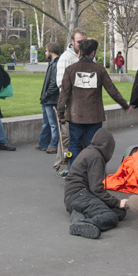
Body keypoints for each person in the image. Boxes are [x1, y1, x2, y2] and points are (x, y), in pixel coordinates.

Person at [57, 38, 130, 170]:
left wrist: (60, 113)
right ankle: (93, 172)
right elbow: (112, 90)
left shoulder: (70, 70)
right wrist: (124, 105)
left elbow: (64, 93)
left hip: (75, 115)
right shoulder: (99, 70)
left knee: (74, 145)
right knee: (94, 146)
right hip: (94, 116)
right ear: (93, 53)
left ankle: (74, 173)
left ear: (81, 51)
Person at [63, 128, 129, 239]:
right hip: (80, 194)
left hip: (73, 196)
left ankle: (78, 214)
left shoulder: (90, 151)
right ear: (108, 146)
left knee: (120, 212)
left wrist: (117, 205)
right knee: (110, 216)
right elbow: (96, 189)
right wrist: (117, 202)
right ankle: (85, 224)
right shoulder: (96, 157)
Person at [53, 28, 87, 176]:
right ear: (72, 42)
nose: (82, 44)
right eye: (80, 42)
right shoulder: (66, 57)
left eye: (85, 42)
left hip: (84, 106)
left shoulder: (86, 56)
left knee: (81, 137)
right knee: (67, 137)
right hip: (69, 105)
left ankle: (79, 166)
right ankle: (63, 166)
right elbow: (60, 84)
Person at [36, 43, 61, 154]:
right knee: (47, 123)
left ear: (51, 52)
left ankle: (54, 145)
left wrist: (46, 96)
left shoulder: (55, 65)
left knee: (53, 124)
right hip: (47, 99)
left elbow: (53, 84)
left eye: (46, 51)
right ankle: (43, 144)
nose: (45, 53)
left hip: (50, 100)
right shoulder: (52, 64)